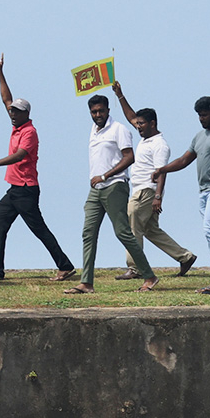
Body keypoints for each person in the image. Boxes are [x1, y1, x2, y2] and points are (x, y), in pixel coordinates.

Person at [0, 55, 75, 282]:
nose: (12, 113)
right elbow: (5, 97)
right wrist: (0, 73)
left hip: (26, 189)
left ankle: (65, 266)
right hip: (14, 189)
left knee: (39, 229)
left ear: (26, 114)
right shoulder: (16, 125)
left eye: (16, 111)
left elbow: (20, 155)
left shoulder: (29, 132)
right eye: (11, 111)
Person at [63, 93, 155, 294]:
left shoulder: (119, 129)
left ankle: (149, 276)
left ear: (108, 110)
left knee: (122, 232)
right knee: (88, 233)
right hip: (95, 190)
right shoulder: (94, 131)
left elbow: (129, 157)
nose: (98, 115)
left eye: (101, 111)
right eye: (94, 111)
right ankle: (86, 282)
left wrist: (105, 176)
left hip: (114, 186)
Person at [151, 96, 210, 295]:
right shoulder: (199, 136)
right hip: (204, 191)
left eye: (205, 115)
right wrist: (162, 169)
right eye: (199, 116)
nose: (202, 119)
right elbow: (184, 160)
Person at [110, 81, 197, 287]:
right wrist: (120, 95)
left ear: (153, 123)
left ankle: (135, 268)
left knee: (132, 229)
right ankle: (185, 257)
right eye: (137, 124)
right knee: (150, 231)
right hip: (141, 190)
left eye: (142, 124)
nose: (137, 126)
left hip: (146, 192)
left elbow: (162, 172)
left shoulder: (159, 144)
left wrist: (158, 196)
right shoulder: (145, 138)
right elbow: (131, 116)